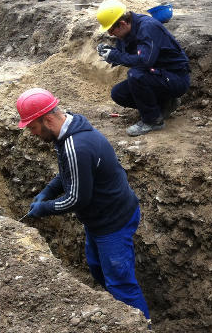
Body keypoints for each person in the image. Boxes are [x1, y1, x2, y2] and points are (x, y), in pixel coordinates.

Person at [15, 87, 150, 321]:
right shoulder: (67, 131)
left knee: (121, 284)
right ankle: (117, 314)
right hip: (99, 219)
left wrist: (45, 208)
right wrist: (47, 191)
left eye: (33, 127)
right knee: (98, 268)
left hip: (113, 222)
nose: (32, 134)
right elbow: (70, 173)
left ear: (47, 119)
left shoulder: (76, 146)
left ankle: (140, 325)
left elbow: (77, 198)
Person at [95, 0, 190, 136]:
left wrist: (116, 56)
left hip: (176, 78)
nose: (110, 34)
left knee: (136, 75)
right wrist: (110, 53)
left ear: (122, 23)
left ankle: (152, 121)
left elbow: (145, 61)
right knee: (118, 93)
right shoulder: (127, 32)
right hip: (158, 75)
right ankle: (165, 105)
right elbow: (126, 55)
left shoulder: (147, 27)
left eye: (111, 29)